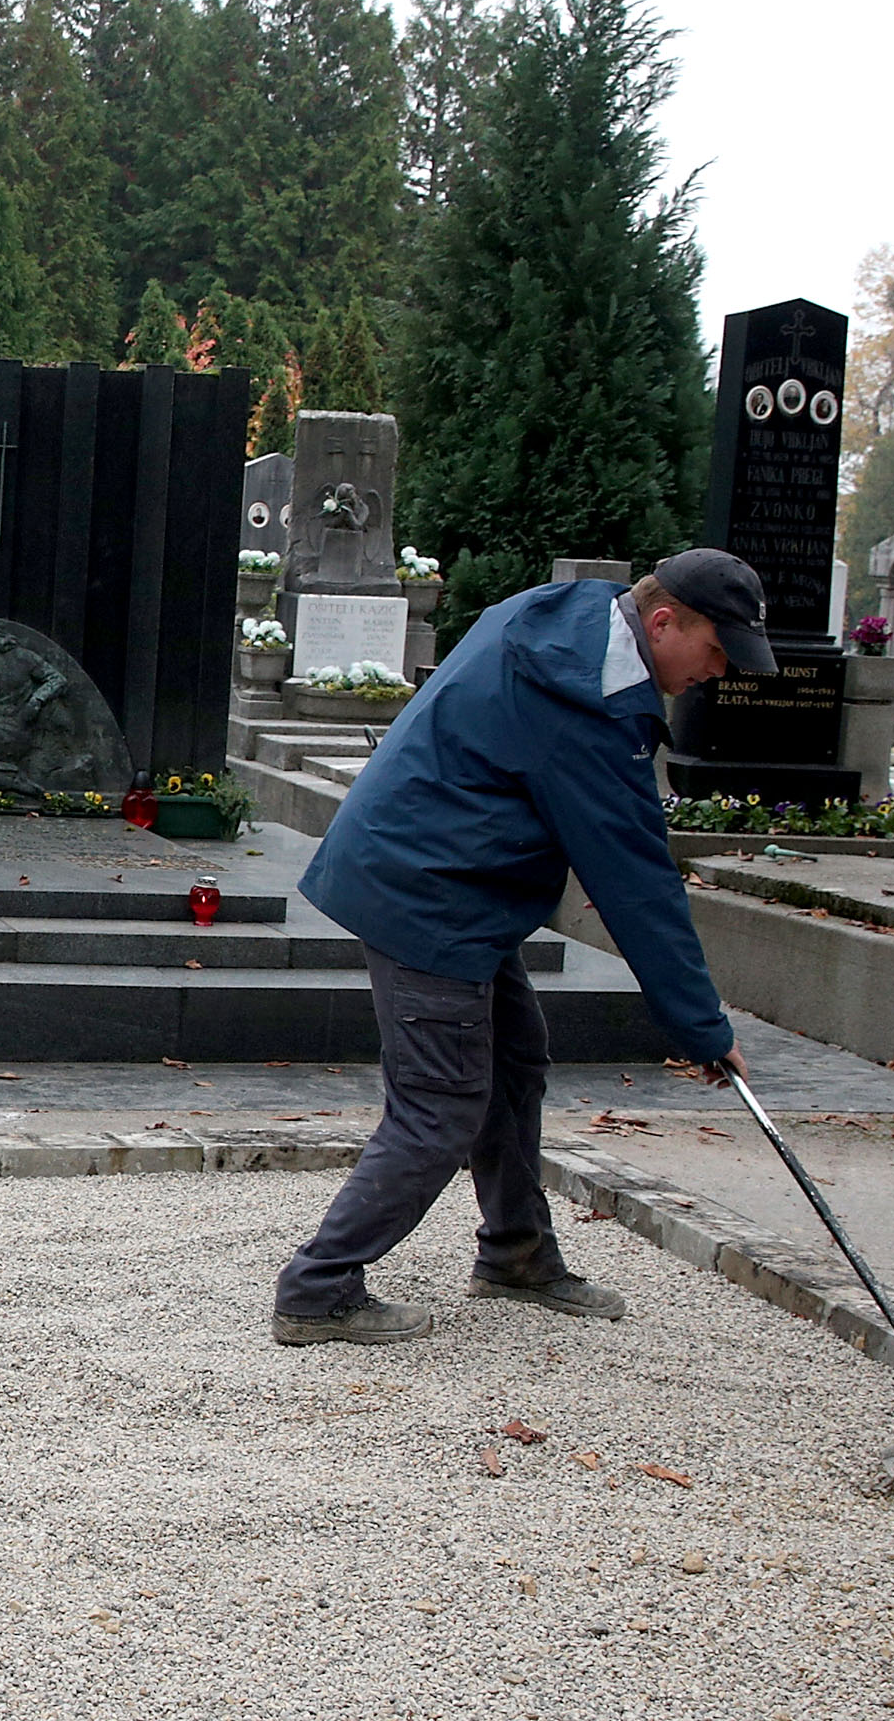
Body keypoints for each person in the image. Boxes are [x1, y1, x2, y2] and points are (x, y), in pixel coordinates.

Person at [270, 550, 772, 1346]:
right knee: (440, 1105)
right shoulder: (587, 701)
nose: (718, 673)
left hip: (451, 875)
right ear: (664, 620)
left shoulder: (570, 616)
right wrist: (700, 1026)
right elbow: (636, 883)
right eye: (716, 651)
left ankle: (517, 1253)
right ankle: (317, 1288)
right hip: (430, 889)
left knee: (512, 1062)